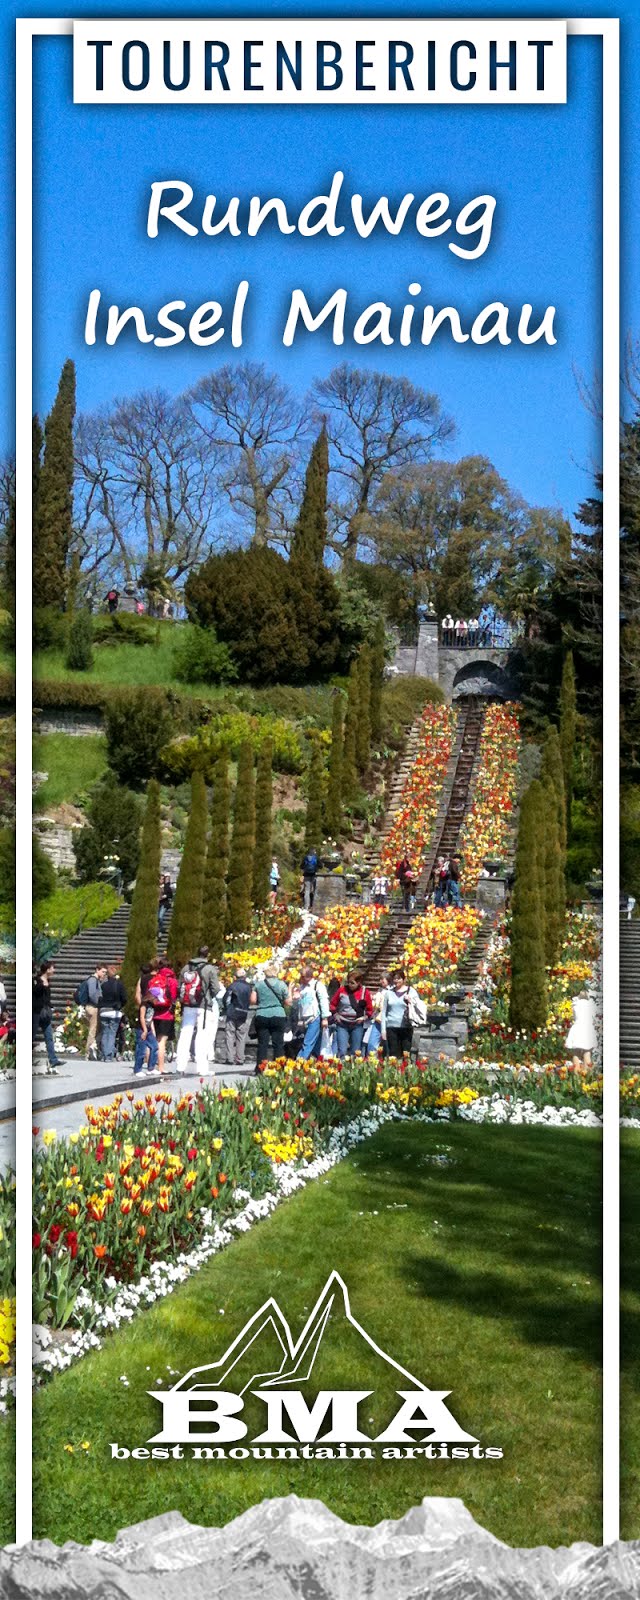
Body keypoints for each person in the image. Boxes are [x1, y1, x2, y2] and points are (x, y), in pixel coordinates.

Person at [176, 946, 221, 1078]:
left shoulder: (186, 968)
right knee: (202, 1036)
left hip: (188, 1004)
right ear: (208, 955)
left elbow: (180, 986)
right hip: (204, 1006)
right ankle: (202, 1069)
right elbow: (216, 989)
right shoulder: (209, 969)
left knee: (185, 1034)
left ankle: (180, 1066)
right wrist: (208, 996)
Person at [380, 969, 427, 1058]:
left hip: (406, 1026)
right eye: (395, 978)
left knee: (406, 1054)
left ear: (404, 979)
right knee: (393, 1054)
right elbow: (384, 1012)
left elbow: (418, 1005)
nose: (396, 981)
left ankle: (405, 1071)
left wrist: (410, 1000)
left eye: (399, 978)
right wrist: (383, 1030)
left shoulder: (411, 991)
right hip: (391, 1027)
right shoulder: (389, 993)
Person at [252, 963, 290, 1068]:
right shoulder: (281, 984)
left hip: (262, 1014)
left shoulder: (258, 985)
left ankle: (260, 1068)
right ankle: (279, 1067)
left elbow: (252, 1000)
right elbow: (288, 1002)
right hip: (278, 1014)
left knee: (262, 1044)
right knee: (278, 1044)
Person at [330, 971, 373, 1058]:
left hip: (357, 1024)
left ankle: (354, 1069)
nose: (350, 985)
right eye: (348, 982)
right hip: (342, 1023)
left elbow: (370, 1010)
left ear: (358, 982)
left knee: (356, 1051)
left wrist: (364, 1018)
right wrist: (335, 1015)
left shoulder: (365, 992)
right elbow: (332, 1004)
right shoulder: (342, 990)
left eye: (352, 983)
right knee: (342, 1050)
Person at [146, 961, 179, 1074]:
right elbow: (174, 997)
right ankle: (160, 1067)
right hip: (167, 1014)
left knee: (152, 1040)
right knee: (162, 1041)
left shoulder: (153, 980)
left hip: (155, 1013)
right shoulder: (172, 981)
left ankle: (150, 1066)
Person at [32, 960, 62, 1073]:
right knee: (32, 1035)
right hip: (36, 1012)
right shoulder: (36, 980)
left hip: (45, 1012)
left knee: (49, 1036)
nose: (54, 970)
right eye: (53, 968)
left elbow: (47, 997)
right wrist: (42, 985)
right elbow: (34, 992)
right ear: (48, 969)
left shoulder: (48, 981)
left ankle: (53, 1059)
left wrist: (51, 1006)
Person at [296, 964, 331, 1060]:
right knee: (316, 1043)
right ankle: (316, 1061)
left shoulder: (317, 985)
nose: (300, 978)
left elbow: (324, 1001)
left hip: (315, 1017)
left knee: (308, 1042)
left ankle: (299, 1062)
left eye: (302, 976)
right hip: (304, 1018)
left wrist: (325, 1018)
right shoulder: (302, 987)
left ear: (308, 976)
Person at [74, 964, 105, 1061]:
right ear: (97, 970)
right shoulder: (93, 980)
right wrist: (98, 1003)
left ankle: (92, 1049)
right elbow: (92, 994)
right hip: (92, 1007)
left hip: (91, 1006)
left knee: (95, 1029)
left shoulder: (95, 980)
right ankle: (88, 1052)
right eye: (103, 972)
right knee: (93, 1030)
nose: (104, 974)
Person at [224, 966, 253, 1066]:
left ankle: (230, 1058)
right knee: (241, 1036)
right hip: (243, 1012)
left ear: (235, 977)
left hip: (232, 1011)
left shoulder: (232, 986)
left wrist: (226, 1008)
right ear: (244, 977)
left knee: (230, 1035)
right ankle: (240, 1059)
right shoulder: (249, 987)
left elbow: (226, 999)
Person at [98, 964, 127, 1062]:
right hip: (114, 1011)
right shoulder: (119, 984)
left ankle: (104, 1053)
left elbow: (99, 997)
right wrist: (121, 1006)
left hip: (103, 1011)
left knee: (105, 1032)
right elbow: (124, 998)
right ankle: (108, 1055)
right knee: (112, 1033)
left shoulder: (103, 985)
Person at [135, 980, 159, 1075]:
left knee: (155, 1046)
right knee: (141, 1050)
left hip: (148, 1029)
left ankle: (151, 1067)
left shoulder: (152, 1006)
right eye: (156, 998)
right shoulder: (144, 1005)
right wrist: (144, 1030)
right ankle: (137, 1069)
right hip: (141, 1029)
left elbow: (151, 1019)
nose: (157, 1000)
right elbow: (142, 1017)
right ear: (152, 996)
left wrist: (152, 1030)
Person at [364, 974, 389, 1057]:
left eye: (383, 979)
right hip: (377, 1020)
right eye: (380, 979)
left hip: (387, 1021)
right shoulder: (379, 991)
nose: (381, 981)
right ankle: (372, 1063)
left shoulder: (391, 991)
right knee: (372, 1045)